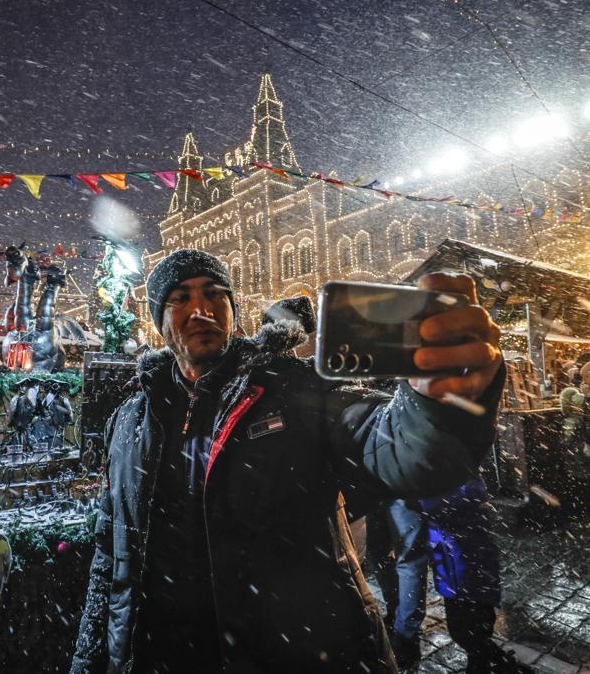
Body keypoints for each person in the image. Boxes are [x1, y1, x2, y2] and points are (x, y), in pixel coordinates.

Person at [71, 249, 505, 673]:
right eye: (180, 298)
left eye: (215, 294)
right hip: (164, 654)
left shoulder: (294, 387)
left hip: (294, 650)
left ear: (232, 309)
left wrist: (436, 405)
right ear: (158, 320)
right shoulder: (129, 419)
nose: (201, 309)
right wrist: (87, 661)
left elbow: (399, 449)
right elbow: (111, 556)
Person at [421, 479, 533, 673]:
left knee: (471, 630)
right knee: (468, 631)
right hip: (455, 563)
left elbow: (469, 492)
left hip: (464, 561)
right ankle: (501, 663)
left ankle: (498, 664)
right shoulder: (443, 474)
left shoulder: (452, 475)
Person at [366, 499, 430, 669]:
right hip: (376, 491)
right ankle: (396, 614)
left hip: (404, 491)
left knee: (409, 560)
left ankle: (405, 635)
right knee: (378, 553)